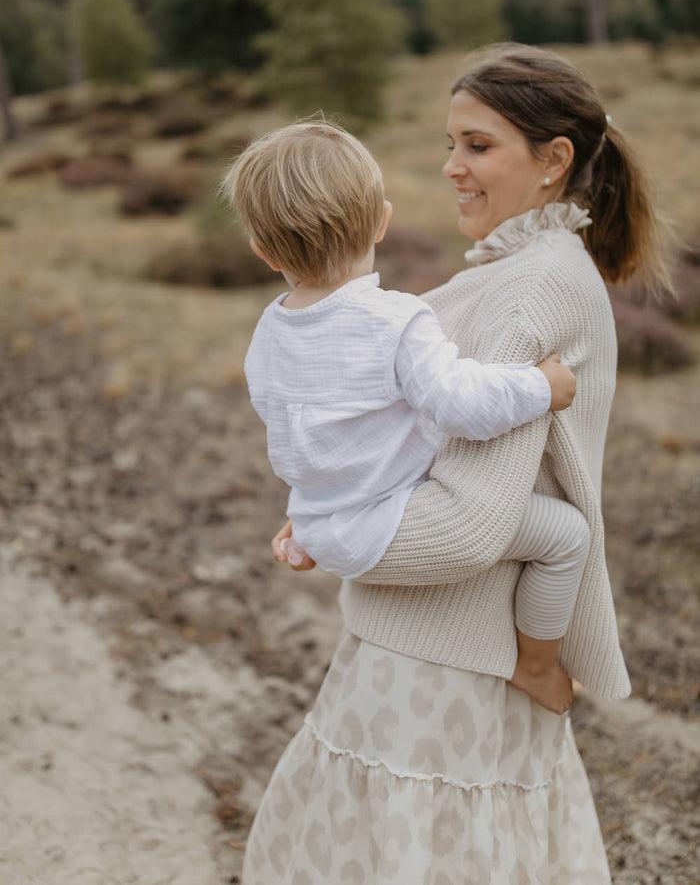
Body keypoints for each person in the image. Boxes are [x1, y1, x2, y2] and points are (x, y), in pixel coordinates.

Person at [240, 44, 672, 884]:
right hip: (434, 653)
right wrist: (328, 508)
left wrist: (333, 533)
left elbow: (467, 528)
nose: (451, 167)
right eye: (450, 144)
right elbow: (370, 427)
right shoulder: (508, 273)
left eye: (478, 145)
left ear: (554, 160)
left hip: (450, 670)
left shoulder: (534, 287)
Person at [228, 119, 591, 715]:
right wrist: (540, 387)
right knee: (565, 536)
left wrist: (311, 509)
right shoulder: (395, 320)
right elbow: (461, 403)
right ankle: (536, 665)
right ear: (382, 222)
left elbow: (295, 429)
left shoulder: (269, 331)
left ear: (263, 252)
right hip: (383, 528)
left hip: (322, 525)